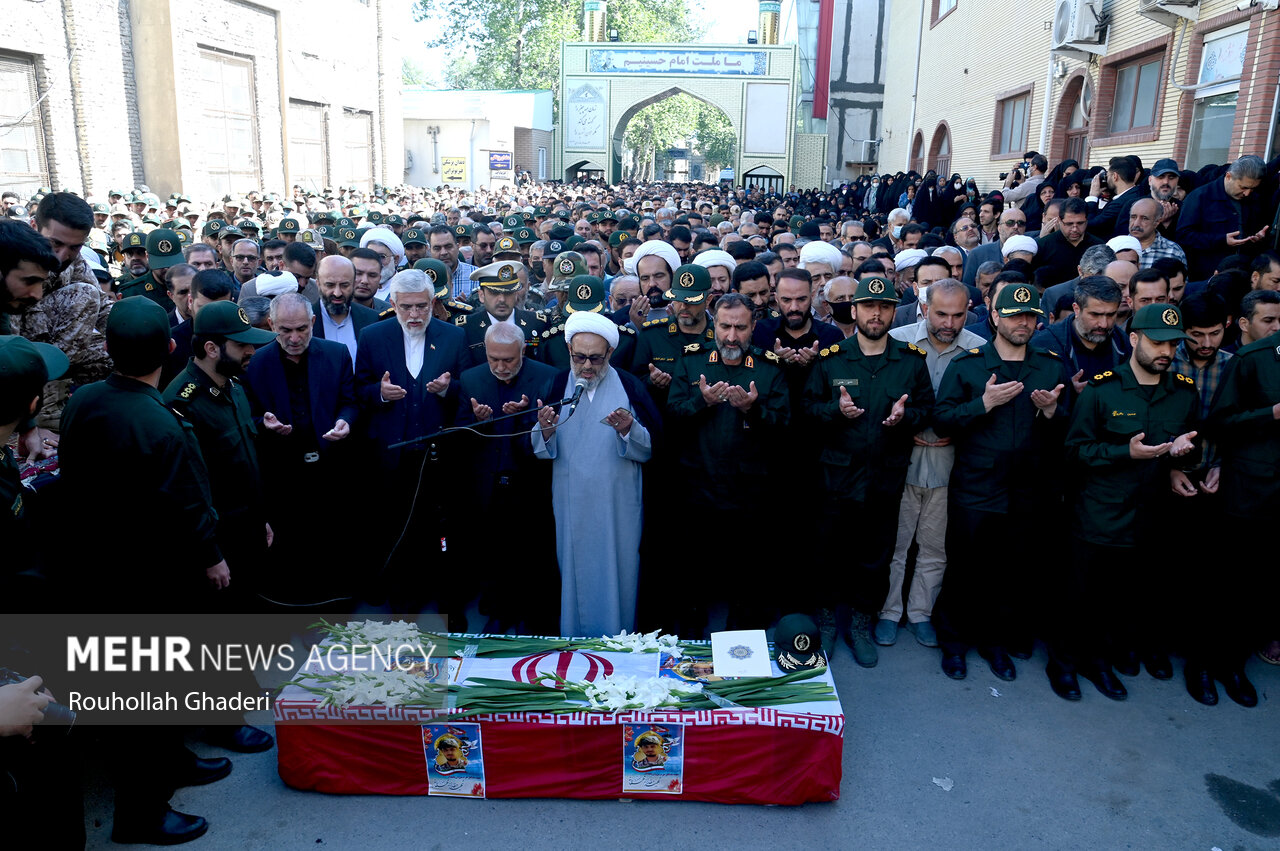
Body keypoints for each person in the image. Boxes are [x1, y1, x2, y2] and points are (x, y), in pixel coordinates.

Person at [59, 296, 229, 844]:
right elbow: (185, 503)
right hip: (150, 580)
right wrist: (212, 558)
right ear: (172, 349)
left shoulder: (83, 399)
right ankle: (141, 813)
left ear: (108, 349)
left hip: (97, 571)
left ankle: (170, 761)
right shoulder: (159, 421)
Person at [1051, 304, 1200, 703]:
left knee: (1122, 597)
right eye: (1157, 342)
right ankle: (1064, 664)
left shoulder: (1183, 392)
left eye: (1173, 344)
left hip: (1151, 516)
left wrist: (1182, 459)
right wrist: (1124, 453)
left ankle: (1099, 661)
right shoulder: (1103, 389)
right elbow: (1075, 452)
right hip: (1100, 513)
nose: (1166, 351)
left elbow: (1184, 449)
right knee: (1081, 595)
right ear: (1133, 339)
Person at [931, 284, 1068, 682]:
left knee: (1011, 572)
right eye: (1014, 315)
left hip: (1027, 489)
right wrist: (984, 403)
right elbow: (942, 420)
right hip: (977, 486)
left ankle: (995, 643)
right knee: (965, 569)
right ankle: (954, 644)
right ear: (995, 318)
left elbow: (1068, 428)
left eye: (1030, 316)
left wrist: (1053, 410)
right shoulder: (969, 365)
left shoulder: (1048, 365)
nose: (1023, 323)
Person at [803, 274, 934, 667]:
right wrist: (834, 411)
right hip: (836, 478)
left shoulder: (910, 360)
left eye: (884, 307)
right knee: (828, 551)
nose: (876, 314)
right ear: (854, 310)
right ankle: (826, 622)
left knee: (875, 555)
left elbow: (927, 408)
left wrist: (906, 415)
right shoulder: (832, 360)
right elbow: (808, 409)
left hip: (885, 476)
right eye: (868, 306)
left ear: (894, 311)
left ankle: (860, 624)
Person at [667, 292, 789, 636]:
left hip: (749, 491)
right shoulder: (692, 361)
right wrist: (700, 402)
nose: (732, 336)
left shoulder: (769, 368)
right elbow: (671, 417)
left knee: (749, 572)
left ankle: (744, 639)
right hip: (698, 486)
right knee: (693, 569)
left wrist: (754, 409)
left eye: (740, 328)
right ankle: (690, 636)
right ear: (714, 324)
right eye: (725, 326)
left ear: (753, 328)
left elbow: (784, 426)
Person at [533, 310, 659, 637]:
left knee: (620, 570)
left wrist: (629, 429)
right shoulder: (556, 384)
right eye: (579, 357)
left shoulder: (630, 386)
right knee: (570, 571)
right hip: (570, 502)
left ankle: (620, 642)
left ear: (610, 355)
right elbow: (537, 447)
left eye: (595, 359)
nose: (587, 366)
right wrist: (545, 429)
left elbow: (652, 448)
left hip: (617, 505)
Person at [879, 279, 985, 650]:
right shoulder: (897, 340)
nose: (950, 323)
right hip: (901, 462)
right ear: (924, 307)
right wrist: (902, 428)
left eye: (959, 315)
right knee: (895, 544)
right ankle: (888, 612)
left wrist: (957, 431)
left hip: (948, 465)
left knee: (935, 547)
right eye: (941, 313)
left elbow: (983, 413)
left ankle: (921, 613)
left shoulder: (979, 350)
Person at [354, 269, 467, 608]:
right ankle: (404, 600)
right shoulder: (373, 336)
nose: (415, 315)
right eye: (407, 307)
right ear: (393, 303)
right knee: (396, 528)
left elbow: (470, 390)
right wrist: (380, 393)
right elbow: (359, 390)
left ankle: (449, 603)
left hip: (439, 454)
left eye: (421, 306)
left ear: (433, 303)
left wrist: (450, 390)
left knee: (442, 531)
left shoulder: (452, 337)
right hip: (393, 456)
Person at [455, 322, 558, 632]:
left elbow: (551, 433)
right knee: (493, 553)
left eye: (508, 360)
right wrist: (478, 421)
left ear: (523, 351)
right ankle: (498, 613)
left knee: (532, 553)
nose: (500, 367)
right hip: (487, 486)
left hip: (531, 485)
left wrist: (525, 418)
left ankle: (533, 617)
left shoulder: (546, 377)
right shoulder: (471, 379)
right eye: (493, 359)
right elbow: (459, 435)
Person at [1206, 314, 1280, 705]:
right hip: (1250, 491)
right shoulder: (1254, 359)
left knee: (1262, 587)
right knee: (1229, 582)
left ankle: (1233, 663)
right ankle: (1208, 665)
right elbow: (1220, 422)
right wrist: (1271, 413)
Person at [18, 193, 114, 434]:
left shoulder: (74, 261)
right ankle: (44, 409)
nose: (62, 256)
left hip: (52, 350)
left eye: (74, 247)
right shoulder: (10, 256)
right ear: (33, 226)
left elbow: (102, 306)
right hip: (16, 351)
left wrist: (133, 330)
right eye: (55, 244)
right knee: (83, 295)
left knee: (115, 355)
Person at [1031, 275, 1130, 396]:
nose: (1104, 324)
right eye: (1095, 315)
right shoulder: (1045, 345)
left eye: (1110, 315)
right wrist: (1068, 392)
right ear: (1076, 309)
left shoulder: (1124, 345)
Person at [1176, 155, 1271, 281]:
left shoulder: (1255, 200)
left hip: (1243, 274)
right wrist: (1222, 240)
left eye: (1252, 189)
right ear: (1228, 176)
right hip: (1206, 277)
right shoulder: (1200, 197)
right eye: (1243, 187)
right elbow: (1183, 236)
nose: (1247, 193)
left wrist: (1257, 238)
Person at [460, 260, 548, 367]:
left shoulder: (537, 323)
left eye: (508, 292)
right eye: (494, 292)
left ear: (516, 294)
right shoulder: (466, 328)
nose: (502, 299)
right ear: (481, 295)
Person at [312, 254, 378, 362]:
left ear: (353, 284)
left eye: (344, 285)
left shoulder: (373, 320)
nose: (337, 293)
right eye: (330, 285)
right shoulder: (304, 322)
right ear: (318, 284)